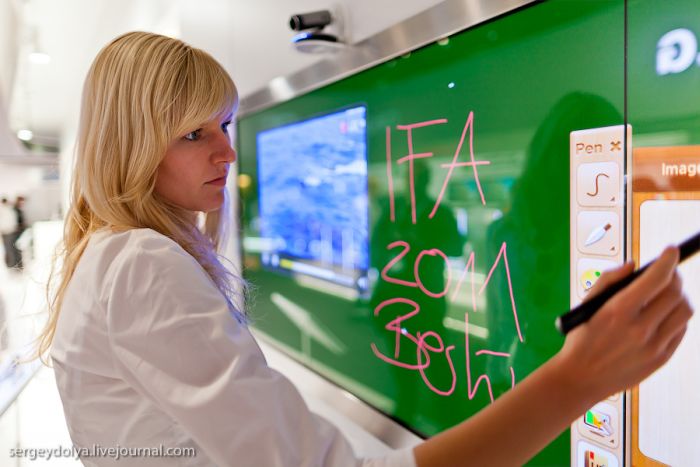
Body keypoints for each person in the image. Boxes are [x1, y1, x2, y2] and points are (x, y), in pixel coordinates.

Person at [34, 31, 692, 467]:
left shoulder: (111, 256)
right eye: (194, 133)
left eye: (227, 124)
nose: (228, 152)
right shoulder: (143, 265)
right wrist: (579, 378)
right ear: (131, 143)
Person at [0, 197, 17, 268]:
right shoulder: (10, 209)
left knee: (9, 249)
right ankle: (12, 264)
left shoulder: (4, 210)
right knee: (10, 249)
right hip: (10, 231)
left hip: (6, 231)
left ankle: (11, 265)